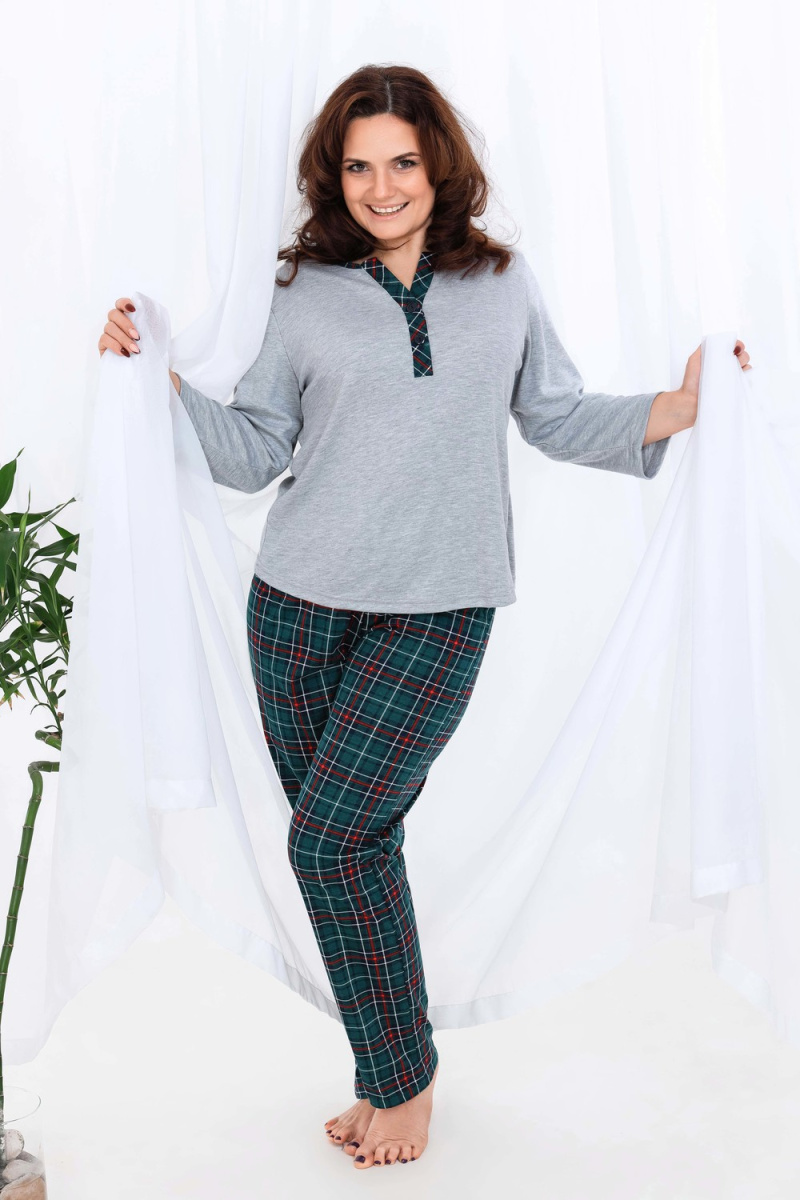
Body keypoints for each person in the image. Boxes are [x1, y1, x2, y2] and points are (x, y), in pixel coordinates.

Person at [97, 63, 752, 1171]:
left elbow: (552, 415)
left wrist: (681, 407)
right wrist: (157, 380)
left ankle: (404, 1081)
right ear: (334, 175)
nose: (382, 187)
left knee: (330, 841)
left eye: (401, 161)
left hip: (441, 609)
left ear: (439, 164)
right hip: (297, 608)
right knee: (355, 849)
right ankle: (388, 1070)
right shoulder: (298, 290)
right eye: (359, 167)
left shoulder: (501, 283)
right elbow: (252, 453)